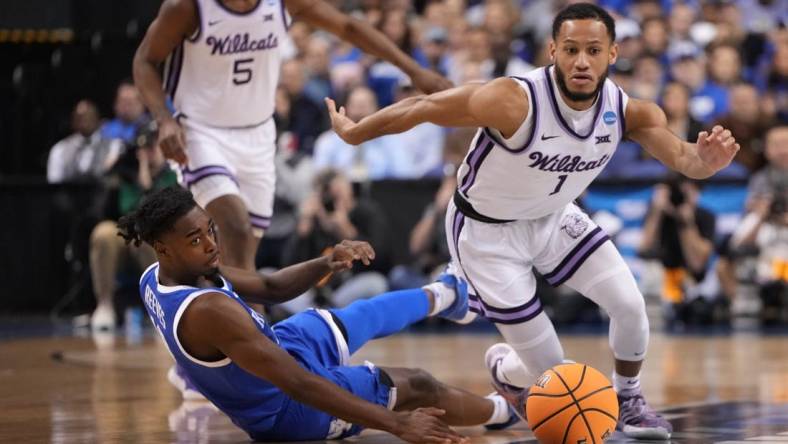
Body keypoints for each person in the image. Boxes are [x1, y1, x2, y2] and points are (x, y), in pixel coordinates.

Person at [324, 3, 741, 439]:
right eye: (571, 49)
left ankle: (628, 399)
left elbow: (684, 159)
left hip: (552, 218)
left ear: (612, 54)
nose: (582, 60)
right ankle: (506, 369)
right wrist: (356, 132)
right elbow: (424, 107)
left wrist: (707, 162)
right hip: (486, 233)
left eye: (593, 50)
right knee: (555, 376)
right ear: (553, 51)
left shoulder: (630, 111)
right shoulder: (512, 100)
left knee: (632, 306)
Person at [117, 186, 516, 442]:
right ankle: (506, 412)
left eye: (209, 229)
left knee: (358, 315)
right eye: (195, 238)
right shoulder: (208, 311)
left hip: (278, 352)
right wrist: (396, 423)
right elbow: (297, 384)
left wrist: (328, 261)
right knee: (419, 385)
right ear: (162, 247)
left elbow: (272, 287)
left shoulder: (162, 274)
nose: (209, 243)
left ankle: (448, 295)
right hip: (287, 410)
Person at [133, 0, 451, 273]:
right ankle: (243, 333)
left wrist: (415, 70)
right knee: (235, 227)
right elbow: (145, 60)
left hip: (258, 135)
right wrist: (163, 119)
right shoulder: (187, 7)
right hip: (201, 131)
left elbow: (349, 28)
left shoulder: (281, 4)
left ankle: (231, 322)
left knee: (243, 255)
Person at [88, 121, 178, 330]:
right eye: (146, 147)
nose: (151, 152)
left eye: (156, 146)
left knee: (147, 235)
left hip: (162, 240)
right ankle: (104, 305)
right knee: (103, 233)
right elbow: (109, 213)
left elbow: (165, 215)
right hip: (125, 235)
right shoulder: (125, 175)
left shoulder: (174, 176)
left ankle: (162, 307)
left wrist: (148, 188)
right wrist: (127, 175)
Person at [638, 176, 716, 326]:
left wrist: (687, 223)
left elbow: (697, 264)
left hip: (691, 282)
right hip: (661, 281)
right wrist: (657, 210)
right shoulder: (658, 215)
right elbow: (643, 248)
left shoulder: (706, 216)